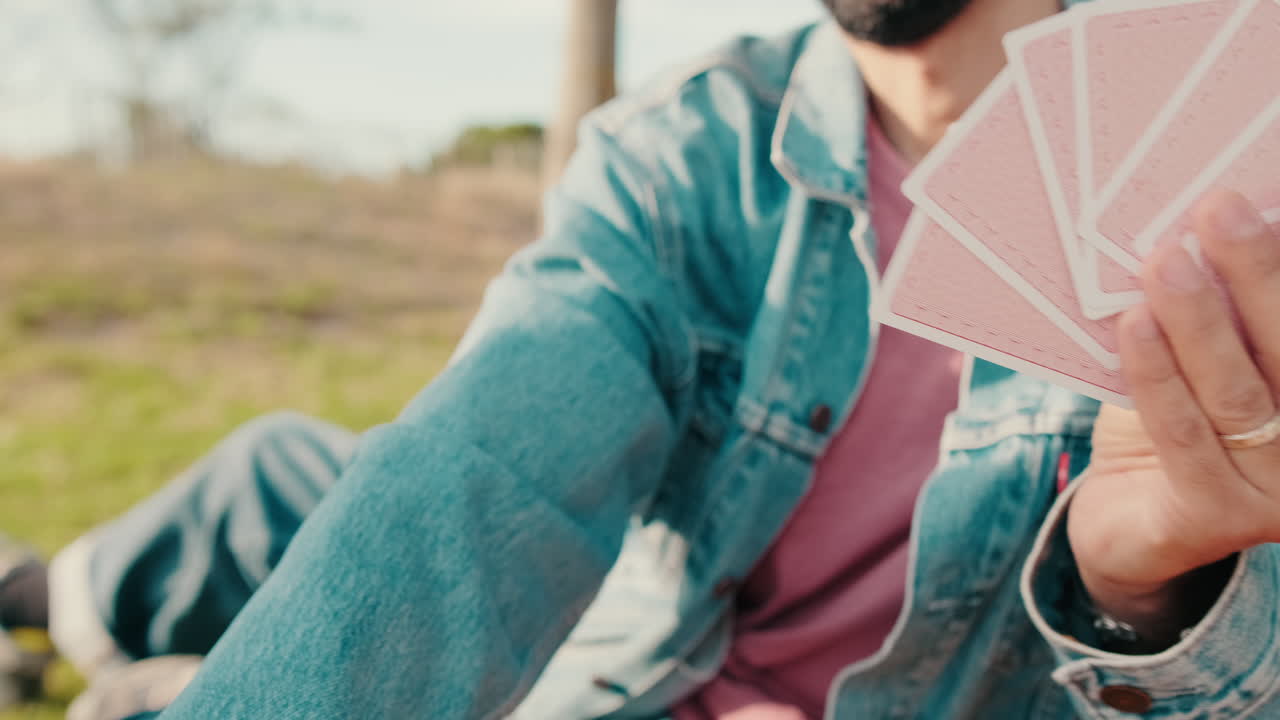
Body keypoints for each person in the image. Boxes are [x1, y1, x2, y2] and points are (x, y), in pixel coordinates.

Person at [6, 0, 1280, 717]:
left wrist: (1144, 588)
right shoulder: (680, 152)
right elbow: (478, 477)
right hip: (614, 676)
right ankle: (66, 609)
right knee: (295, 467)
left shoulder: (1223, 203)